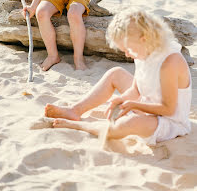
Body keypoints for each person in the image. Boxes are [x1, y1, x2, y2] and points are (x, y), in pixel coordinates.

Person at [44, 9, 192, 145]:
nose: (127, 54)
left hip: (168, 121)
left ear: (144, 38)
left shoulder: (169, 62)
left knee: (131, 123)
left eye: (128, 49)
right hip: (148, 104)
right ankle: (75, 110)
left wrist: (134, 105)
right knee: (115, 73)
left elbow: (169, 109)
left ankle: (80, 126)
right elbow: (136, 89)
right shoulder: (143, 51)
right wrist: (122, 99)